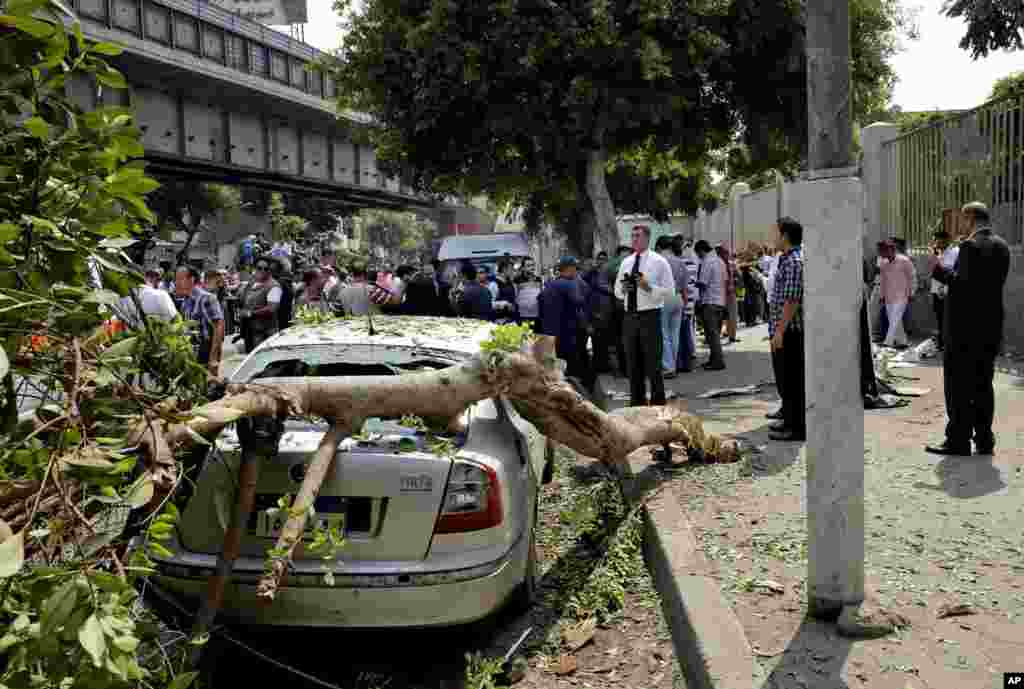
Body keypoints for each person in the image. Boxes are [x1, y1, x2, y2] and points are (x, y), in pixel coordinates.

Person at [926, 201, 1010, 457]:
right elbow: (981, 286)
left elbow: (962, 287)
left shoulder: (969, 246)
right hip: (990, 328)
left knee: (959, 388)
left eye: (962, 218)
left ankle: (958, 440)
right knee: (984, 386)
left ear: (971, 217)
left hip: (963, 332)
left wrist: (937, 268)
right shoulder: (1001, 246)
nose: (960, 224)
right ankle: (985, 440)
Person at [614, 226, 675, 407]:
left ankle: (658, 405)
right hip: (630, 316)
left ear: (647, 238)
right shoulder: (626, 262)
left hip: (650, 315)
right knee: (633, 364)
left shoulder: (659, 262)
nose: (634, 239)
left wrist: (648, 287)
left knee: (653, 364)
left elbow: (670, 292)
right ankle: (637, 404)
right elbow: (617, 291)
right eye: (632, 236)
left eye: (638, 236)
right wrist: (624, 289)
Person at [768, 218, 805, 442]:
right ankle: (789, 421)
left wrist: (780, 331)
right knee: (785, 379)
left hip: (790, 331)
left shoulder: (794, 262)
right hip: (782, 330)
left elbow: (792, 300)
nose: (772, 237)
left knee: (793, 379)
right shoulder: (785, 259)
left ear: (784, 236)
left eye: (775, 233)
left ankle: (798, 427)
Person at [539, 256, 589, 383]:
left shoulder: (551, 284)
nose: (576, 271)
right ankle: (574, 386)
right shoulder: (569, 284)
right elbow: (579, 301)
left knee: (559, 360)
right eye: (575, 268)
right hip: (567, 329)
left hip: (551, 331)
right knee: (572, 361)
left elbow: (540, 299)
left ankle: (562, 382)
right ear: (569, 269)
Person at [173, 265, 226, 377]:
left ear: (191, 280)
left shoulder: (207, 298)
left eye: (180, 279)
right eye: (176, 279)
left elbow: (219, 326)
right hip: (192, 353)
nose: (176, 283)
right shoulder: (185, 302)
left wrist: (213, 358)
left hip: (205, 351)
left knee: (208, 388)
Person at [693, 240, 727, 371]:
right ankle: (713, 360)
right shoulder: (720, 261)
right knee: (715, 334)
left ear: (701, 250)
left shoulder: (707, 262)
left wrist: (693, 283)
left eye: (697, 253)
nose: (698, 256)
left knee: (711, 335)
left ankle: (718, 362)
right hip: (720, 301)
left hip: (709, 302)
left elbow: (703, 283)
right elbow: (725, 280)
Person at [656, 236, 686, 379]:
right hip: (678, 297)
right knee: (675, 333)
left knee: (663, 333)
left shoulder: (657, 260)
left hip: (664, 297)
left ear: (659, 247)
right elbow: (685, 283)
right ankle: (673, 363)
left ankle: (668, 367)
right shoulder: (680, 261)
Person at [238, 259, 282, 352]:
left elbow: (272, 308)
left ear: (270, 270)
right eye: (259, 268)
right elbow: (243, 299)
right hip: (251, 330)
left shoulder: (274, 286)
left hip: (266, 332)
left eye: (266, 269)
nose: (262, 271)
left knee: (263, 358)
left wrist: (251, 313)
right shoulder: (252, 282)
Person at [878, 239, 914, 348]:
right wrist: (882, 295)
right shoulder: (883, 263)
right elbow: (883, 281)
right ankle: (902, 342)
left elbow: (912, 277)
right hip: (889, 297)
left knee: (894, 320)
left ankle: (887, 342)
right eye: (880, 251)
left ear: (891, 250)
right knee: (895, 321)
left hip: (902, 296)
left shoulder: (904, 261)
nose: (881, 253)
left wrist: (911, 293)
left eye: (883, 251)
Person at [929, 229, 959, 350]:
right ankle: (942, 343)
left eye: (938, 240)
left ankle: (950, 343)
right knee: (940, 317)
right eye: (935, 240)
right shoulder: (939, 253)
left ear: (947, 240)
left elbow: (948, 272)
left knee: (949, 318)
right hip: (937, 290)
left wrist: (937, 261)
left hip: (946, 290)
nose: (936, 243)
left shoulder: (954, 252)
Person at [606, 245, 633, 377]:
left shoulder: (612, 266)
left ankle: (625, 369)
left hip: (622, 307)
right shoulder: (628, 266)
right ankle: (628, 369)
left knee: (623, 338)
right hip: (625, 307)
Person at [716, 245, 740, 344]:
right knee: (718, 317)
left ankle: (732, 336)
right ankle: (714, 338)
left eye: (726, 253)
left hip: (730, 293)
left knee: (732, 315)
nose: (725, 255)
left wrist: (734, 281)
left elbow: (738, 277)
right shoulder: (716, 265)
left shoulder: (731, 265)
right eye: (723, 253)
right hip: (719, 294)